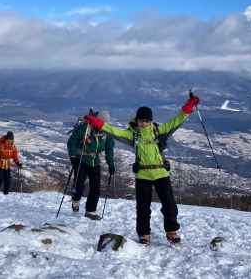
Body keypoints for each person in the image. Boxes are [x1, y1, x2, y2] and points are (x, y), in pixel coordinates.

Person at [84, 96, 200, 244]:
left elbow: (177, 120)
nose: (143, 123)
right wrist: (96, 122)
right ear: (137, 121)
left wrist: (189, 105)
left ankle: (171, 231)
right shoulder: (133, 134)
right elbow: (113, 130)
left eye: (146, 120)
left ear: (151, 121)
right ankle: (144, 234)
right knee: (143, 207)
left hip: (161, 173)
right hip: (143, 175)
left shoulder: (159, 130)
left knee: (169, 204)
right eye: (141, 121)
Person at [67, 111, 115, 220]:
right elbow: (71, 142)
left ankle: (90, 211)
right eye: (100, 123)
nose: (102, 126)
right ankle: (76, 200)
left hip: (95, 161)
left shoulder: (107, 134)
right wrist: (73, 157)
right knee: (79, 185)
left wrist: (111, 165)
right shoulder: (85, 128)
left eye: (104, 124)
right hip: (81, 159)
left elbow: (109, 149)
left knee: (95, 187)